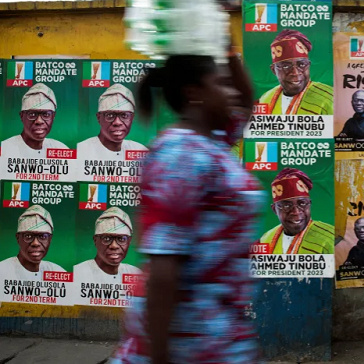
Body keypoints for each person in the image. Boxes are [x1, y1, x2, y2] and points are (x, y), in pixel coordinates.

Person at [110, 54, 262, 363]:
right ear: (195, 94)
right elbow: (165, 268)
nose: (231, 92)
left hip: (219, 333)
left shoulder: (215, 140)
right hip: (187, 338)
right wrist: (160, 355)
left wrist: (225, 42)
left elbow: (247, 99)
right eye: (222, 84)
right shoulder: (179, 155)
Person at [256, 167, 333, 254]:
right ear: (274, 209)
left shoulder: (330, 239)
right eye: (286, 205)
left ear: (310, 204)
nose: (296, 212)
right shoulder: (265, 239)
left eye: (302, 203)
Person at [258, 29, 333, 115]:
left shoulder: (329, 99)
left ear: (309, 65)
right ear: (274, 70)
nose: (295, 72)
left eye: (301, 64)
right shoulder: (266, 98)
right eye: (286, 66)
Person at [77, 83, 147, 160]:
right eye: (110, 115)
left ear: (132, 118)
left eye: (125, 116)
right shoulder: (82, 150)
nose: (117, 122)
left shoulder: (139, 150)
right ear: (99, 118)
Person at [74, 207, 141, 284]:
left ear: (129, 242)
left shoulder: (135, 273)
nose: (114, 246)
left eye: (121, 239)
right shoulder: (78, 273)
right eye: (106, 238)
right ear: (95, 240)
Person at [2, 83, 68, 158]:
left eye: (46, 114)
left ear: (53, 117)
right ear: (21, 116)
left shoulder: (60, 149)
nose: (39, 121)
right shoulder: (5, 149)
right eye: (32, 114)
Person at [0, 205, 64, 280]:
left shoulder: (57, 271)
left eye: (43, 236)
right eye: (28, 236)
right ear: (18, 238)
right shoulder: (2, 271)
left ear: (50, 239)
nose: (35, 243)